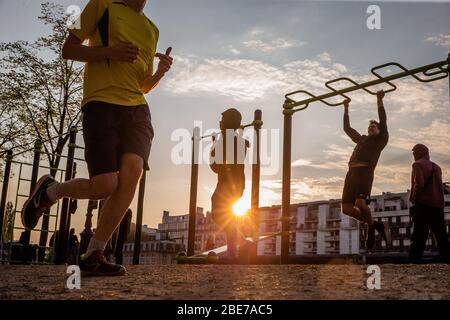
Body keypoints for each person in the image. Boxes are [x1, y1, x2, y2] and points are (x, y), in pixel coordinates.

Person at [21, 0, 172, 276]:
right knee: (104, 185)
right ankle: (50, 191)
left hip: (136, 108)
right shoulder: (99, 4)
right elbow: (68, 49)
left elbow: (143, 86)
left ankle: (94, 252)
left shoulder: (152, 29)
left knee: (133, 171)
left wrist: (160, 73)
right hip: (100, 103)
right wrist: (110, 52)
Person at [341, 90, 391, 250]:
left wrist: (379, 101)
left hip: (365, 172)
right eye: (369, 127)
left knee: (360, 203)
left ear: (379, 129)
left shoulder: (381, 140)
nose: (371, 128)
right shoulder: (361, 139)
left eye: (374, 126)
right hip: (351, 173)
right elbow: (347, 128)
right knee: (347, 208)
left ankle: (371, 227)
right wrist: (346, 108)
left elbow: (383, 120)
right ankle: (374, 224)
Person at [210, 109, 249, 260]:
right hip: (236, 183)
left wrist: (214, 146)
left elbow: (216, 166)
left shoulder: (227, 139)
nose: (220, 122)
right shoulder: (234, 138)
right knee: (224, 214)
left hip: (229, 184)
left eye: (222, 119)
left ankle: (234, 250)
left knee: (221, 214)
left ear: (228, 122)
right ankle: (239, 244)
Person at [408, 144, 450, 263]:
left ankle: (414, 260)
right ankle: (447, 259)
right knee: (441, 235)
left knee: (419, 235)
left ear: (418, 153)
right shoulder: (437, 167)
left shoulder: (417, 165)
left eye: (414, 153)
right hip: (438, 205)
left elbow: (419, 185)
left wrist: (414, 198)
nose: (413, 155)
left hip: (423, 205)